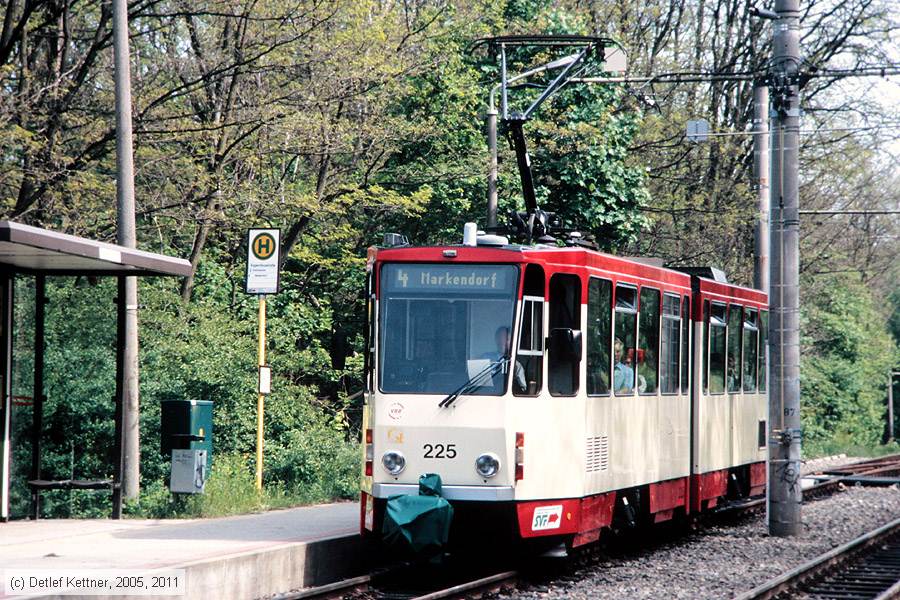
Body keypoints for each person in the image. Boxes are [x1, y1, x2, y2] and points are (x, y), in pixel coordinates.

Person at [482, 326, 527, 393]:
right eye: (501, 339)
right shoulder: (485, 358)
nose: (504, 343)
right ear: (496, 340)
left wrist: (514, 382)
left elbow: (523, 389)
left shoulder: (516, 365)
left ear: (512, 342)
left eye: (507, 339)